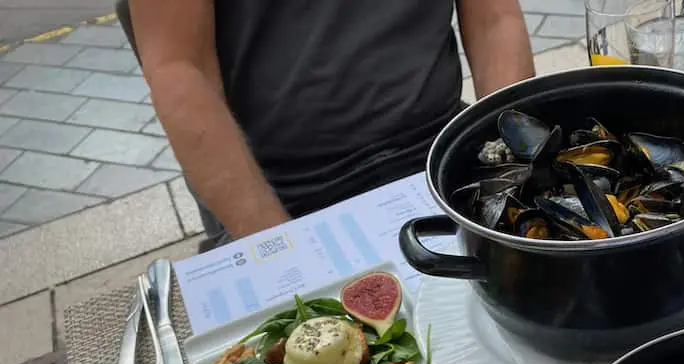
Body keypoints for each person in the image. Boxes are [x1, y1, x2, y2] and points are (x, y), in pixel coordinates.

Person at [121, 0, 536, 251]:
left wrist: (519, 168)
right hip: (285, 192)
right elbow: (179, 70)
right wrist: (279, 247)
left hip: (438, 150)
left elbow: (494, 19)